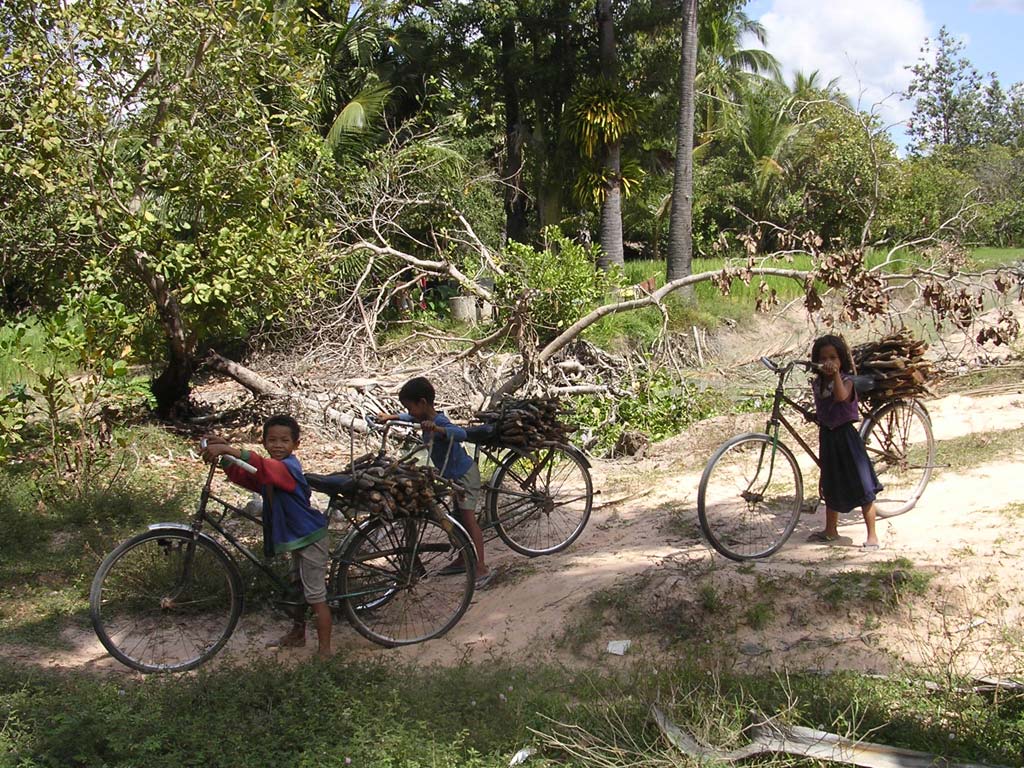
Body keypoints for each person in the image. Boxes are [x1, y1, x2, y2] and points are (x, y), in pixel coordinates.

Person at [200, 414, 332, 657]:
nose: (278, 445)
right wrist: (227, 457)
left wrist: (228, 448)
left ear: (296, 445)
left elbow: (263, 467)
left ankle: (325, 651)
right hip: (296, 536)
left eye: (284, 440)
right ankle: (297, 634)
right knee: (296, 587)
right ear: (264, 442)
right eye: (272, 440)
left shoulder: (287, 468)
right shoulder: (270, 469)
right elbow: (249, 476)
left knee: (315, 595)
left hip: (310, 537)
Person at [378, 377, 493, 589]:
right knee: (454, 519)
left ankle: (481, 567)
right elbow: (409, 418)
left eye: (410, 407)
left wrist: (438, 430)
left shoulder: (439, 421)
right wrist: (392, 416)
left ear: (422, 403)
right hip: (451, 477)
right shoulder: (422, 419)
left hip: (465, 476)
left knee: (468, 520)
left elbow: (460, 434)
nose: (409, 412)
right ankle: (462, 557)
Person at [806, 334, 883, 549]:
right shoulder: (819, 383)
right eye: (823, 358)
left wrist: (837, 375)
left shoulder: (847, 381)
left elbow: (840, 397)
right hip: (828, 438)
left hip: (846, 438)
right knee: (830, 482)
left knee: (862, 486)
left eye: (833, 357)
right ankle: (830, 530)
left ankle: (872, 535)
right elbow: (824, 405)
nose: (827, 362)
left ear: (841, 361)